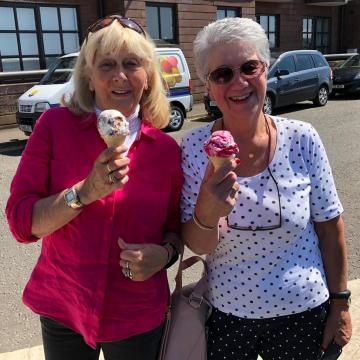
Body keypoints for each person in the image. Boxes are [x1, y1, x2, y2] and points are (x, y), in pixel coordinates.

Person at [6, 15, 183, 360]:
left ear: (147, 77)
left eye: (131, 63)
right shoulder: (54, 126)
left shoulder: (166, 151)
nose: (120, 76)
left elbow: (175, 228)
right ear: (88, 75)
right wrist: (83, 193)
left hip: (137, 313)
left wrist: (164, 255)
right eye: (106, 64)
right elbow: (20, 222)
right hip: (63, 305)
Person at [180, 17, 352, 360]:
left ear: (266, 70)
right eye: (222, 74)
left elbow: (331, 229)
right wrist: (207, 212)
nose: (238, 82)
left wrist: (340, 305)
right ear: (208, 85)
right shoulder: (193, 147)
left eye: (249, 67)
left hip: (304, 313)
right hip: (228, 318)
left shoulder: (302, 138)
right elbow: (197, 245)